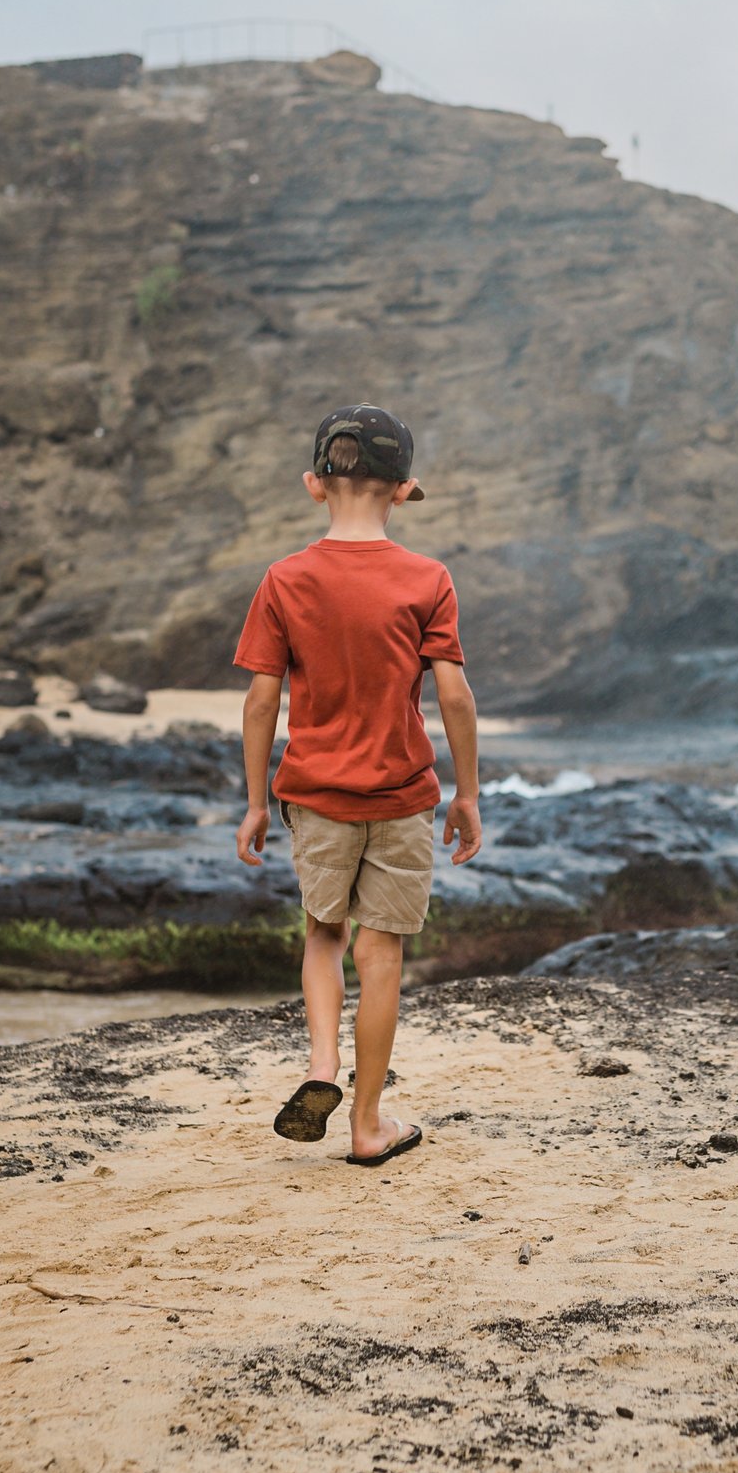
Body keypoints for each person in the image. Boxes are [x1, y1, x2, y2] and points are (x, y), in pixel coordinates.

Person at [232, 404, 481, 1165]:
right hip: (402, 796)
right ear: (404, 491)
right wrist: (467, 793)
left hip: (315, 794)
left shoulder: (286, 579)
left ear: (314, 485)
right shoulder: (426, 578)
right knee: (382, 957)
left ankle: (318, 1066)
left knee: (323, 933)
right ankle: (367, 1126)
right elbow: (455, 696)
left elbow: (261, 700)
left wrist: (252, 802)